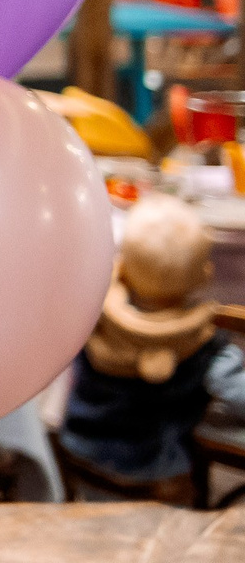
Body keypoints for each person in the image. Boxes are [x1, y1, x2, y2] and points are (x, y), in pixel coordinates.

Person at [60, 193, 245, 494]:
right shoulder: (207, 348)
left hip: (81, 457)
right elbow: (239, 396)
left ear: (123, 269)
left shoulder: (92, 319)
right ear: (204, 275)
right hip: (157, 475)